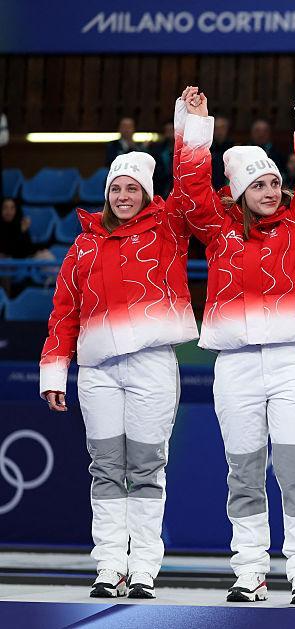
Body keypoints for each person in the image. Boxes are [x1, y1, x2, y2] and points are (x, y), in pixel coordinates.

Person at [176, 80, 295, 606]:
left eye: (273, 183)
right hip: (236, 364)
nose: (269, 191)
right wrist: (195, 125)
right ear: (239, 192)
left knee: (294, 469)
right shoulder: (218, 230)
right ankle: (250, 570)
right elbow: (191, 190)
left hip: (294, 361)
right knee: (243, 471)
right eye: (258, 185)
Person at [39, 146, 198, 600]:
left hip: (152, 365)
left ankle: (144, 567)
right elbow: (64, 312)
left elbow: (189, 191)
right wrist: (54, 372)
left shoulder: (167, 229)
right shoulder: (83, 244)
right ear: (106, 194)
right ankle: (110, 565)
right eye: (116, 189)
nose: (123, 196)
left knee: (147, 468)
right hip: (98, 373)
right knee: (106, 469)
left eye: (132, 189)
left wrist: (190, 126)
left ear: (147, 194)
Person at [211, 117, 234, 190]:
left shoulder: (234, 150)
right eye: (216, 128)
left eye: (222, 127)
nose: (219, 131)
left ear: (228, 130)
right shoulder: (206, 149)